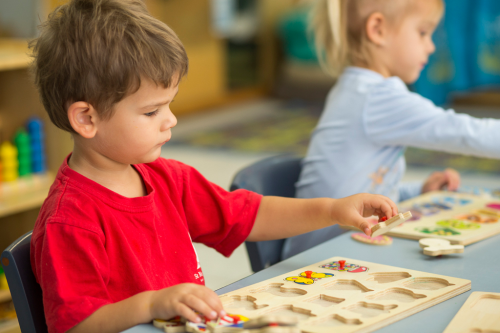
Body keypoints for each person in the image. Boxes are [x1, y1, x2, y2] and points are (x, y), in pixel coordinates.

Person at [29, 1, 398, 332]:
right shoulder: (70, 221)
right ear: (86, 119)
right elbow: (76, 325)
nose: (170, 120)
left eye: (169, 105)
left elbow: (251, 215)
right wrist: (151, 304)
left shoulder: (168, 179)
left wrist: (333, 209)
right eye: (151, 111)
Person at [282, 0, 500, 260]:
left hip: (333, 248)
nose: (431, 46)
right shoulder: (378, 96)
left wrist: (419, 190)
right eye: (422, 33)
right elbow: (466, 133)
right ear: (378, 30)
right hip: (322, 257)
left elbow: (361, 187)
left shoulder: (356, 88)